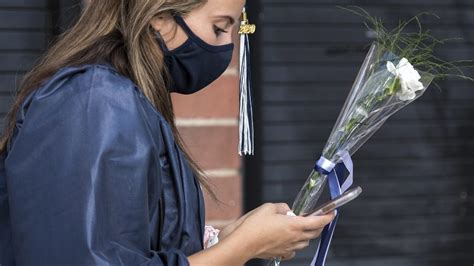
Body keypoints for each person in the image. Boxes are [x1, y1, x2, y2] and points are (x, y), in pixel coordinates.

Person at [0, 0, 335, 265]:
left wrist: (227, 237)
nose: (226, 48)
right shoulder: (92, 103)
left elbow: (135, 244)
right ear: (159, 16)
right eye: (220, 28)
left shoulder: (126, 101)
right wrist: (242, 248)